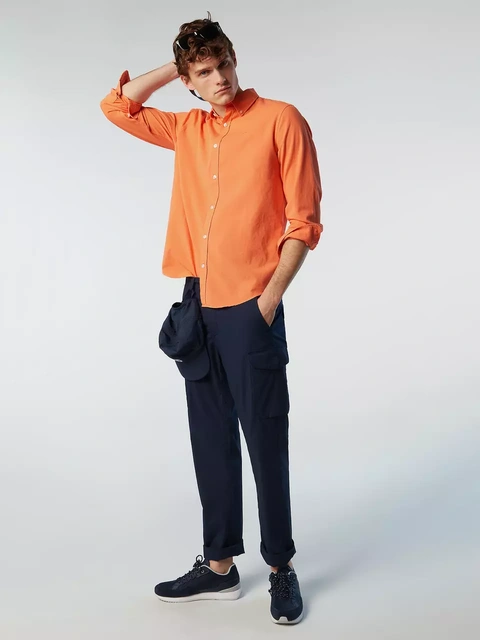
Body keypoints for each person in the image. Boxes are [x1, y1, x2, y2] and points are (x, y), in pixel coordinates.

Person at [100, 13, 323, 626]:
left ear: (234, 59)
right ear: (189, 81)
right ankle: (220, 565)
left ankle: (280, 566)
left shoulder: (280, 119)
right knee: (210, 440)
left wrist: (269, 299)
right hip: (196, 304)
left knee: (265, 439)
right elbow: (116, 106)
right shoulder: (187, 128)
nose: (219, 77)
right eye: (203, 71)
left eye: (223, 63)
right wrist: (177, 65)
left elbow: (303, 221)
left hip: (252, 305)